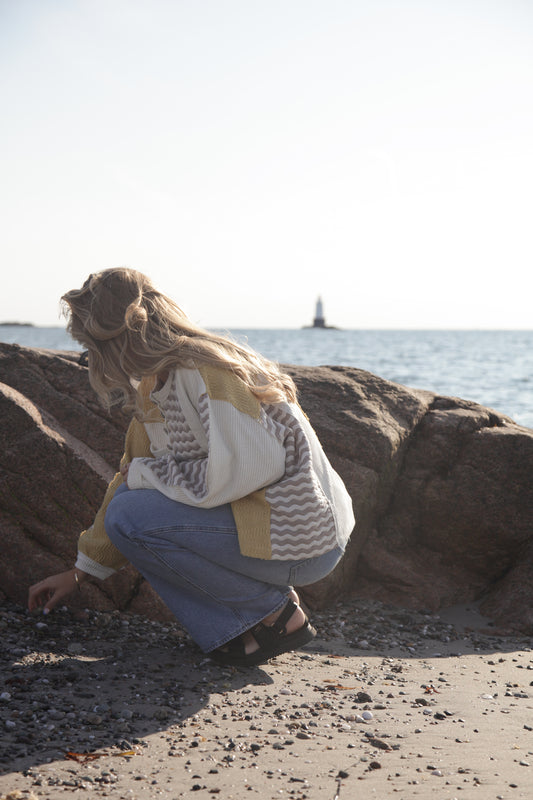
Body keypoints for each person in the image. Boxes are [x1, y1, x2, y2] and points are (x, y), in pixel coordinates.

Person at [28, 268, 355, 666]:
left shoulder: (206, 373)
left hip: (304, 539)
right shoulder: (157, 385)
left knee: (132, 512)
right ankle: (256, 615)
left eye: (91, 349)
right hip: (278, 533)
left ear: (118, 343)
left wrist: (145, 477)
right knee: (129, 504)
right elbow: (131, 477)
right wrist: (82, 571)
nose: (92, 361)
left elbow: (251, 467)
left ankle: (272, 614)